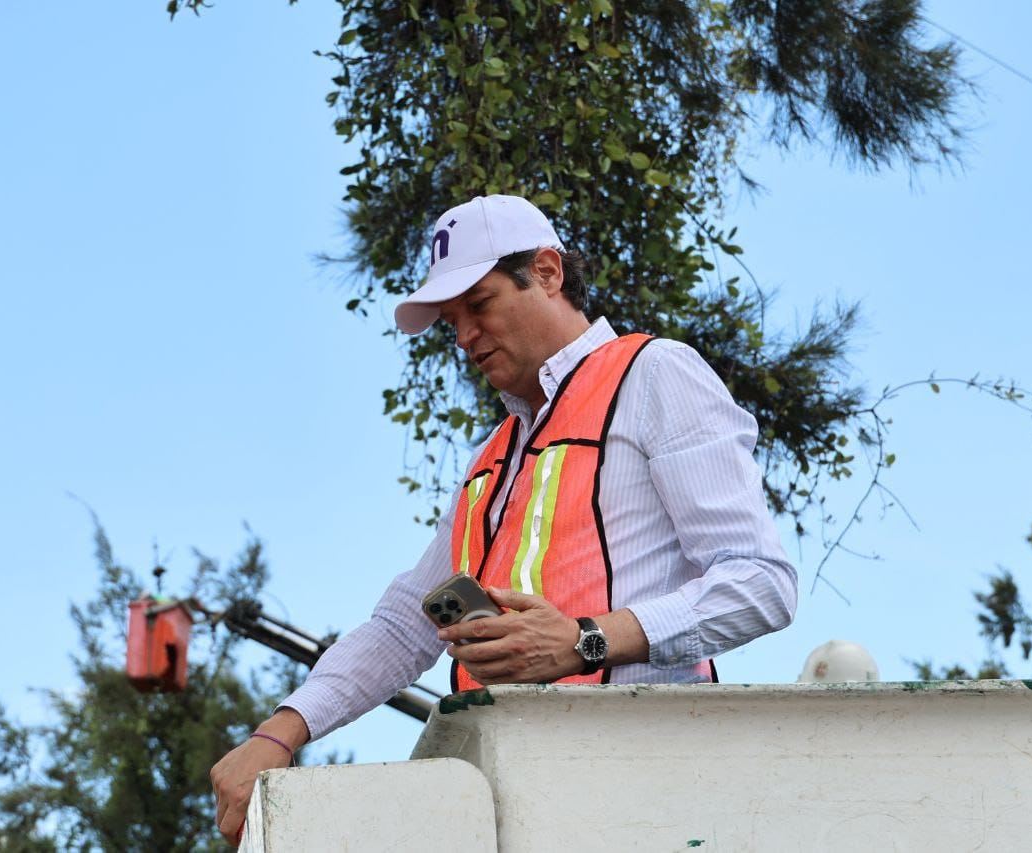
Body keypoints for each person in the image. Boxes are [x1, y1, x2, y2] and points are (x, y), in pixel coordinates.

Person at [211, 194, 798, 842]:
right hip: (520, 809)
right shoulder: (489, 463)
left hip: (654, 798)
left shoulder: (654, 374)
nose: (463, 336)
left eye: (480, 305)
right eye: (451, 319)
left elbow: (761, 583)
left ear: (547, 272)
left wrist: (586, 638)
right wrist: (280, 731)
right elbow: (407, 625)